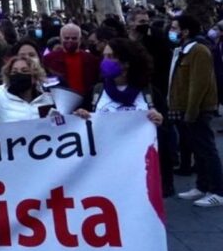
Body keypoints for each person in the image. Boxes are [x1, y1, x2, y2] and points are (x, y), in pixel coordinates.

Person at [168, 14, 223, 207]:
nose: (171, 31)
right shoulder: (183, 50)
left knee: (206, 149)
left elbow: (198, 84)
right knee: (197, 149)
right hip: (185, 108)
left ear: (185, 31)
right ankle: (202, 186)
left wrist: (191, 111)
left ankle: (217, 190)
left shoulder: (199, 51)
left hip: (198, 109)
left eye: (175, 28)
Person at [73, 38, 163, 125]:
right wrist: (80, 116)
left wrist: (159, 121)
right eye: (104, 56)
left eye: (110, 56)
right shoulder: (95, 92)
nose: (105, 61)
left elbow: (168, 132)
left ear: (126, 62)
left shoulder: (150, 93)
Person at [43, 24, 99, 109]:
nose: (70, 41)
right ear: (61, 39)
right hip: (60, 103)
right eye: (66, 38)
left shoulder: (91, 59)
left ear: (80, 39)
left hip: (87, 102)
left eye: (74, 38)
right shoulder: (49, 59)